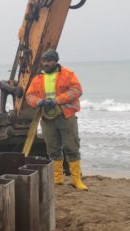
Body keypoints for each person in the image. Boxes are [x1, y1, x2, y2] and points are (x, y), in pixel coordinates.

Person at [25, 49, 88, 190]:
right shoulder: (38, 78)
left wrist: (58, 100)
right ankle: (58, 178)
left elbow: (77, 90)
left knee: (72, 147)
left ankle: (76, 180)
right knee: (53, 149)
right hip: (47, 118)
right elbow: (29, 95)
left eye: (49, 60)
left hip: (65, 115)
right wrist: (37, 101)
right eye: (44, 60)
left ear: (55, 61)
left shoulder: (68, 74)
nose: (46, 63)